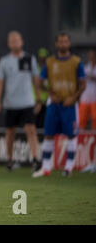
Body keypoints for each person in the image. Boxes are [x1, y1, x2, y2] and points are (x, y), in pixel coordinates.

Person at [33, 33, 86, 178]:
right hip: (54, 104)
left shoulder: (76, 62)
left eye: (65, 41)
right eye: (60, 42)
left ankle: (68, 167)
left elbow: (83, 84)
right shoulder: (50, 62)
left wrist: (74, 97)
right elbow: (39, 82)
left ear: (69, 44)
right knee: (49, 135)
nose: (63, 44)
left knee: (71, 136)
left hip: (69, 104)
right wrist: (51, 93)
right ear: (56, 44)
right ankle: (45, 168)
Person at [0, 31, 42, 172]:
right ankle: (10, 160)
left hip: (27, 102)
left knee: (31, 129)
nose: (14, 43)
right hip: (11, 103)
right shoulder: (4, 61)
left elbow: (36, 80)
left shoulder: (29, 58)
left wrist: (38, 99)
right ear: (9, 44)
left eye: (17, 40)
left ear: (22, 42)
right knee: (10, 132)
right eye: (12, 41)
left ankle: (35, 158)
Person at [79, 49, 96, 130]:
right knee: (82, 119)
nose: (92, 57)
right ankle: (80, 138)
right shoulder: (85, 67)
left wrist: (92, 77)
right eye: (90, 55)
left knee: (95, 119)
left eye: (93, 55)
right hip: (85, 98)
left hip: (95, 98)